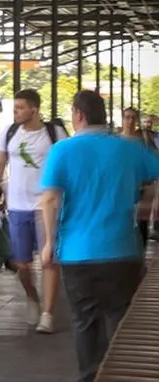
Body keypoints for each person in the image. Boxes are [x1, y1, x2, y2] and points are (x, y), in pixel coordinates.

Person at [40, 90, 159, 382]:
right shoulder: (129, 148)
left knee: (85, 322)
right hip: (124, 249)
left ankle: (90, 377)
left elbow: (50, 199)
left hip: (77, 253)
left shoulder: (62, 150)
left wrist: (49, 243)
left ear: (78, 114)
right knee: (120, 322)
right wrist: (147, 206)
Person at [0, 89, 67, 334]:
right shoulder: (10, 133)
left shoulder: (54, 134)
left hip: (46, 206)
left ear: (34, 109)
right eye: (15, 108)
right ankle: (32, 297)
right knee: (21, 263)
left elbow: (67, 165)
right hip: (17, 206)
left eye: (20, 107)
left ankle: (48, 314)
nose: (16, 112)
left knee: (48, 260)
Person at [119, 108, 159, 246]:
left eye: (133, 118)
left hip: (143, 189)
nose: (130, 121)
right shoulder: (114, 141)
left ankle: (140, 258)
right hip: (122, 189)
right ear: (122, 119)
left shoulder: (143, 140)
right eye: (127, 117)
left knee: (141, 225)